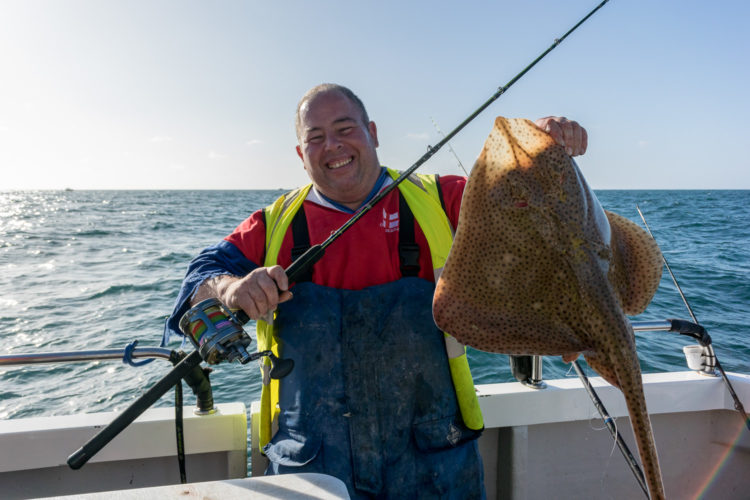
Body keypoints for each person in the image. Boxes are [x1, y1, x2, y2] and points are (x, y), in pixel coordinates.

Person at [166, 83, 587, 499]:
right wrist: (231, 287)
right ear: (300, 153)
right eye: (315, 137)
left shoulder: (441, 199)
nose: (332, 145)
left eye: (345, 128)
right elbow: (199, 276)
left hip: (436, 459)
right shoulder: (273, 223)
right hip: (314, 467)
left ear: (373, 132)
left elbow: (521, 205)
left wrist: (540, 148)